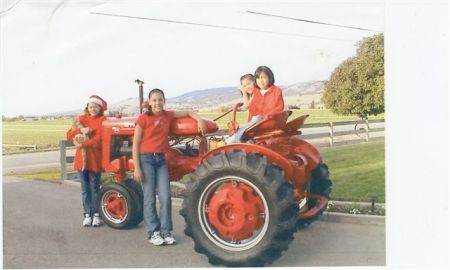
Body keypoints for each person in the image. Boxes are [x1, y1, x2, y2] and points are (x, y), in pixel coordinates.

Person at [132, 88, 207, 246]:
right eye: (154, 100)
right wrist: (136, 168)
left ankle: (166, 232)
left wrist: (199, 120)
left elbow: (188, 112)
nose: (157, 102)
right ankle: (153, 232)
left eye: (160, 100)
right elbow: (135, 144)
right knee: (149, 198)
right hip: (146, 160)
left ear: (164, 101)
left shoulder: (168, 115)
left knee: (166, 197)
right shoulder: (143, 118)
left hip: (160, 160)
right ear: (149, 102)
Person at [66, 95, 108, 227]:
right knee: (85, 189)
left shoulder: (103, 120)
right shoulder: (81, 120)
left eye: (95, 106)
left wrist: (83, 144)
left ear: (100, 108)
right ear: (87, 108)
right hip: (81, 160)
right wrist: (80, 130)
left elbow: (99, 139)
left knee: (95, 187)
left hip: (94, 159)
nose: (93, 109)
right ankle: (87, 214)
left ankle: (97, 214)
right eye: (91, 106)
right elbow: (69, 136)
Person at [226, 66, 285, 143]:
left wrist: (266, 117)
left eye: (263, 77)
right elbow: (248, 105)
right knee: (255, 120)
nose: (261, 81)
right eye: (258, 78)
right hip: (256, 125)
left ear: (269, 77)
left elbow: (279, 108)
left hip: (269, 122)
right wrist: (243, 91)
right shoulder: (256, 92)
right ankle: (245, 141)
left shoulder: (276, 90)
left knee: (257, 118)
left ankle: (235, 138)